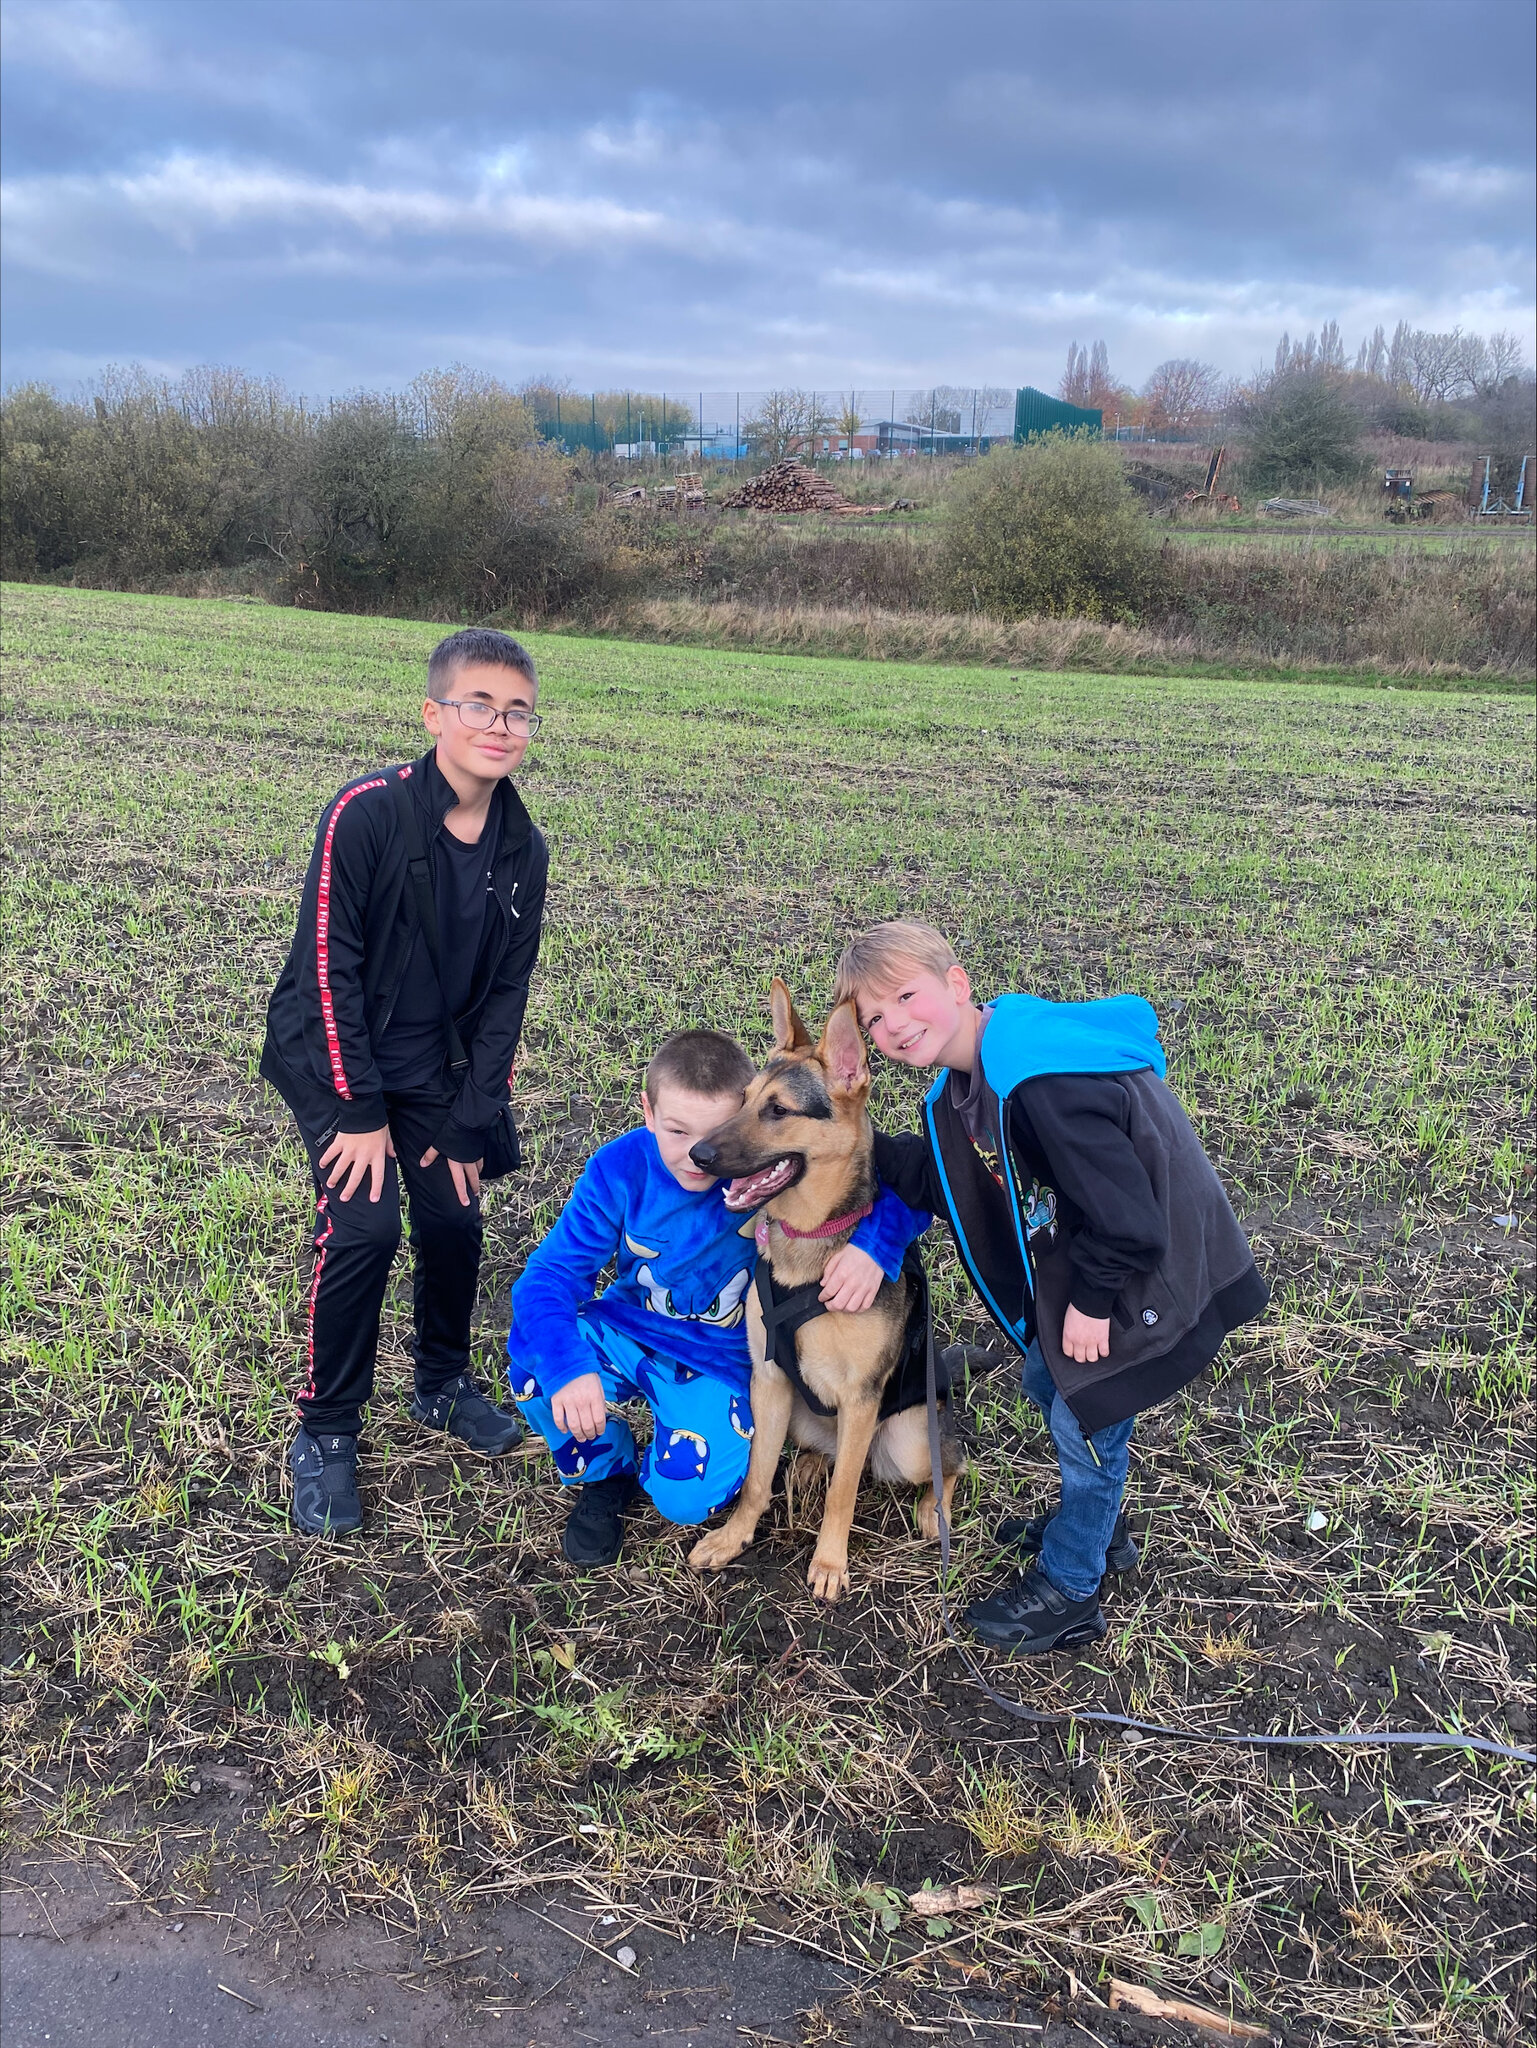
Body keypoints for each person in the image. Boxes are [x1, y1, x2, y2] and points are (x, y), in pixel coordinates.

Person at [832, 921, 1268, 1655]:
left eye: (904, 997)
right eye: (873, 1019)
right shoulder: (964, 1085)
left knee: (1084, 1422)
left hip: (1134, 1270)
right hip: (1088, 1259)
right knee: (1044, 1382)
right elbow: (943, 1178)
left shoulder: (1042, 1081)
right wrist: (835, 1137)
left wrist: (1093, 1305)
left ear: (958, 984)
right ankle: (1095, 1531)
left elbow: (1129, 1220)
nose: (892, 1025)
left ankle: (1071, 1588)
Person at [261, 627, 548, 1537]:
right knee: (366, 1225)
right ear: (435, 713)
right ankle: (326, 1430)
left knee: (457, 1214)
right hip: (338, 1055)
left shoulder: (522, 849)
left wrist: (470, 1122)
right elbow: (326, 965)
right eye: (479, 706)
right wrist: (356, 1112)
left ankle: (439, 1382)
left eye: (517, 712)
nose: (498, 726)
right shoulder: (367, 813)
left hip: (437, 1071)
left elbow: (506, 997)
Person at [506, 1028, 931, 1565]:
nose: (700, 1155)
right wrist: (568, 1368)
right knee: (532, 1360)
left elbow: (913, 1178)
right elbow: (547, 1276)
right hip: (634, 1329)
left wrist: (876, 1243)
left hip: (714, 1360)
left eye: (716, 1130)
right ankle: (606, 1472)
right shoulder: (622, 1169)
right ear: (647, 1111)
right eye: (676, 1130)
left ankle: (680, 1453)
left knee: (685, 1499)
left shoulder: (769, 1174)